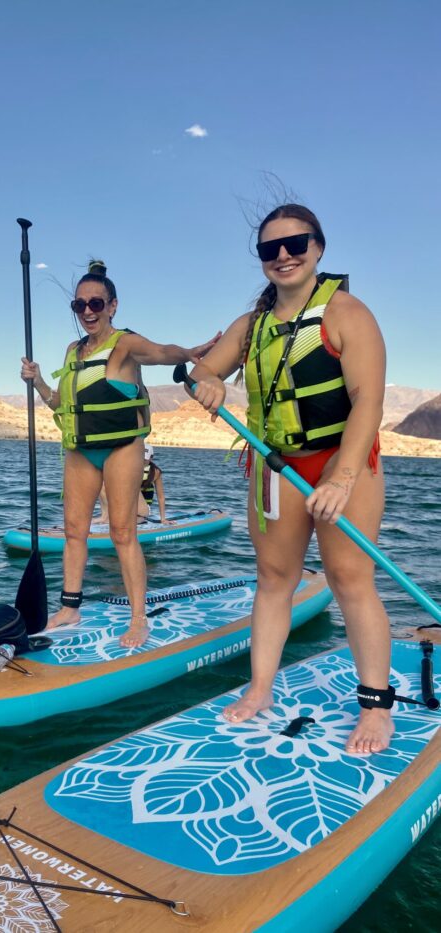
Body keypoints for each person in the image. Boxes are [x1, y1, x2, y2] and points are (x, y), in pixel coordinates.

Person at [187, 203, 391, 756]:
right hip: (275, 465)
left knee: (351, 580)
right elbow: (205, 367)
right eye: (269, 249)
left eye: (295, 244)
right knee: (274, 580)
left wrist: (341, 479)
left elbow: (367, 400)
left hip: (340, 460)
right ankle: (260, 689)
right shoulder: (250, 326)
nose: (282, 256)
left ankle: (375, 705)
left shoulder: (348, 313)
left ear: (318, 248)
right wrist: (207, 382)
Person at [21, 259, 219, 648]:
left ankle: (138, 618)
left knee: (122, 532)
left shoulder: (124, 344)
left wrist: (192, 352)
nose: (88, 312)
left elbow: (162, 351)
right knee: (74, 531)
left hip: (122, 448)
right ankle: (70, 607)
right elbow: (61, 404)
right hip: (82, 451)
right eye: (80, 305)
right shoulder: (72, 351)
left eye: (96, 303)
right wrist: (38, 380)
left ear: (112, 305)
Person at [94, 444, 168, 526]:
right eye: (140, 458)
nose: (141, 461)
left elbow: (161, 497)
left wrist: (163, 519)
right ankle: (105, 516)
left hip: (141, 511)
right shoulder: (127, 467)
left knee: (132, 486)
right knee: (102, 484)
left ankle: (114, 518)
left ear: (151, 458)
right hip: (125, 508)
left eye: (145, 459)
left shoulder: (156, 472)